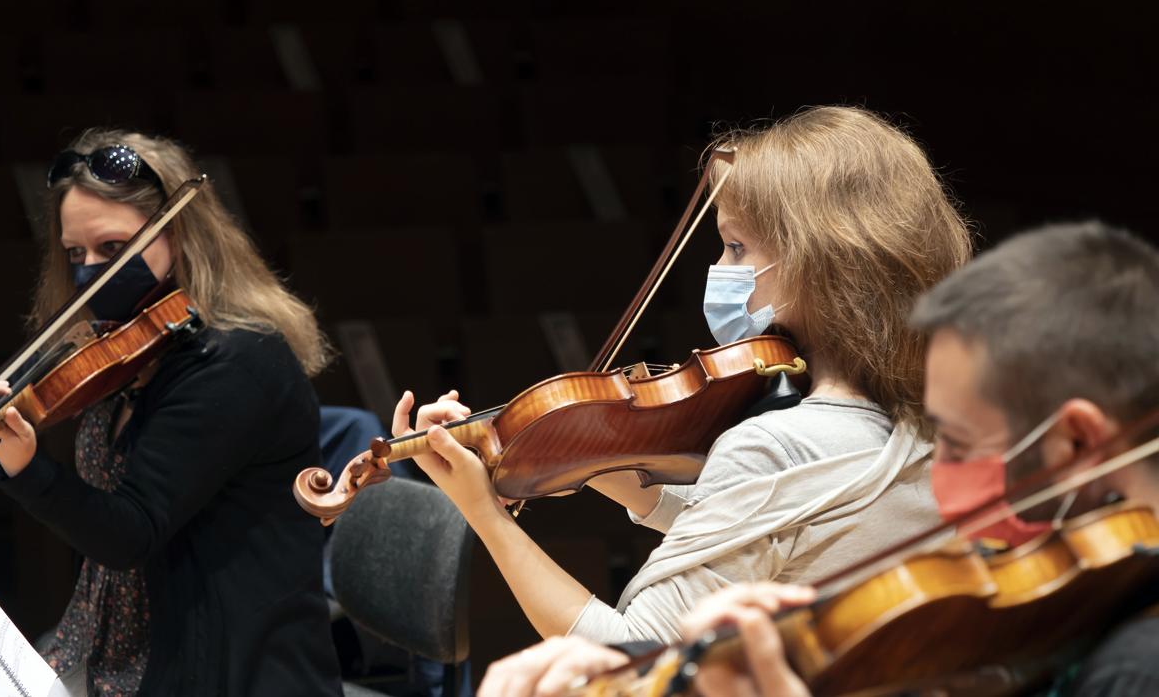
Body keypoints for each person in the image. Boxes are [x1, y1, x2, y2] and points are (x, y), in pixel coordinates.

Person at [478, 221, 1159, 696]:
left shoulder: (1135, 667)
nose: (935, 473)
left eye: (953, 441)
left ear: (1075, 443)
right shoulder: (1070, 597)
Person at [395, 105, 973, 643]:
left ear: (818, 264)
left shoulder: (774, 445)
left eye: (736, 246)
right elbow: (762, 530)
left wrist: (485, 515)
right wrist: (580, 445)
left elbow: (632, 655)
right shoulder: (935, 426)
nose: (720, 268)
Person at [0, 130, 342, 696]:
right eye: (75, 253)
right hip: (109, 643)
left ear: (178, 234)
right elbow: (5, 385)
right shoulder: (127, 345)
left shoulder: (238, 364)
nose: (90, 270)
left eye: (112, 249)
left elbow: (129, 533)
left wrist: (28, 471)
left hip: (220, 669)